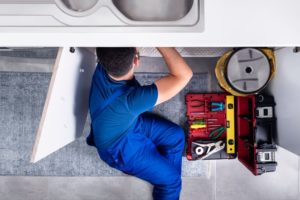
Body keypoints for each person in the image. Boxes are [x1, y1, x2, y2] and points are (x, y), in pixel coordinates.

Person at [87, 47, 193, 200]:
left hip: (127, 126)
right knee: (172, 182)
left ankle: (164, 176)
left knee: (175, 135)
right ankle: (167, 182)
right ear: (136, 60)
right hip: (119, 149)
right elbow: (184, 75)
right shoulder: (133, 100)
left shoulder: (103, 66)